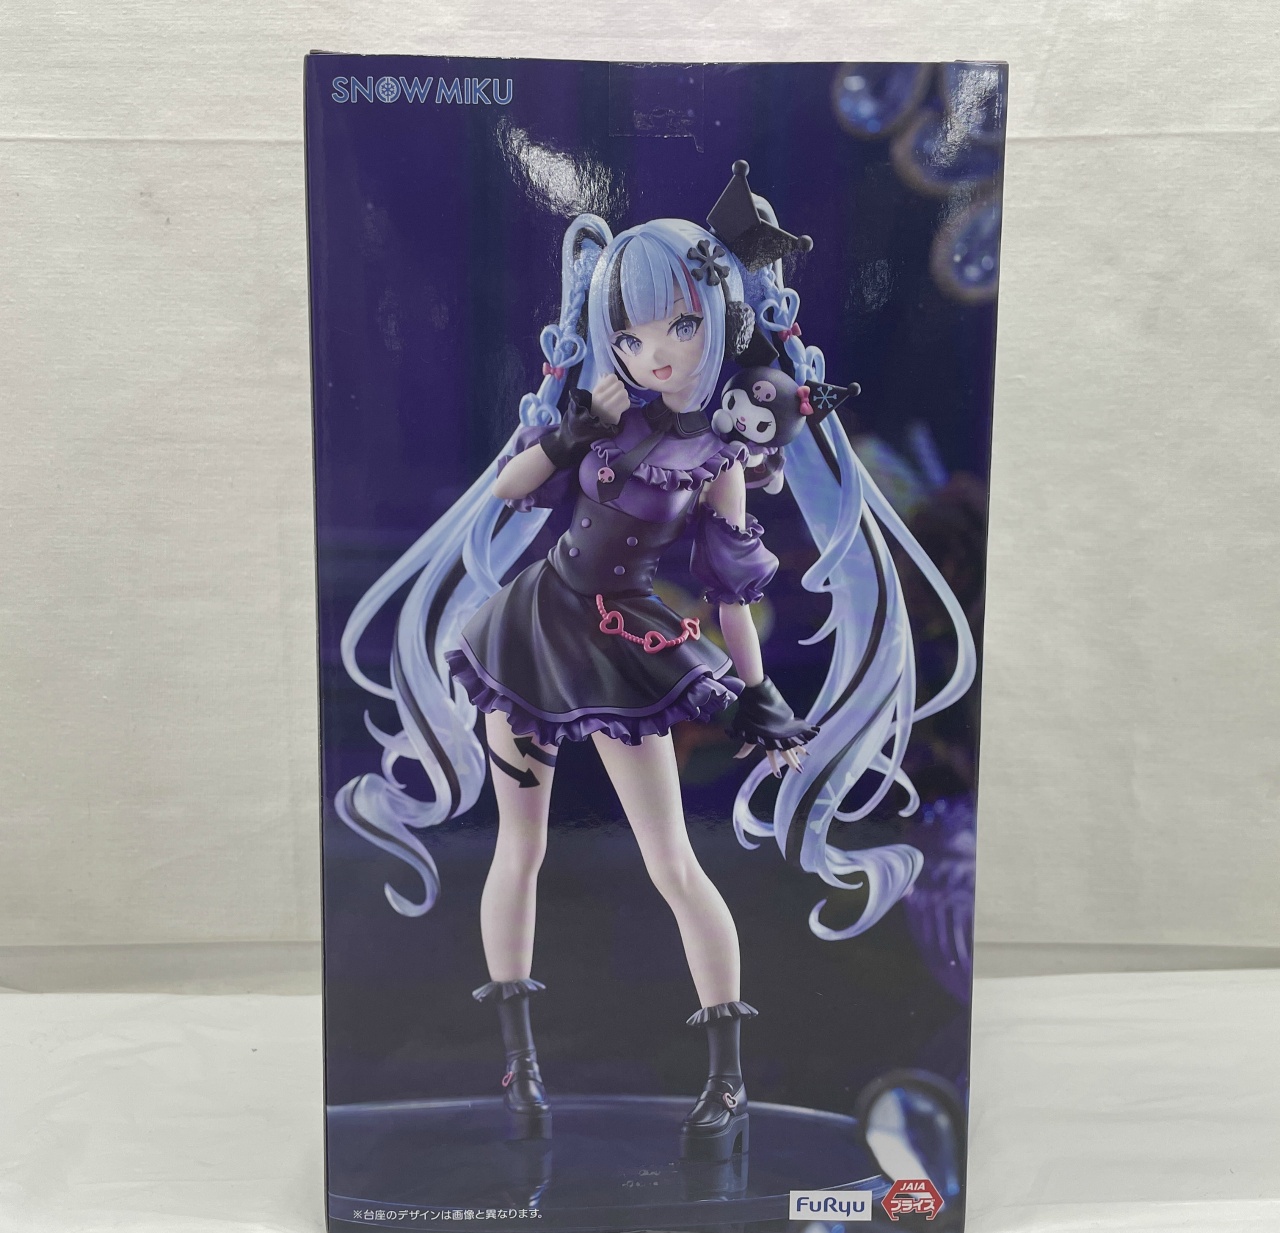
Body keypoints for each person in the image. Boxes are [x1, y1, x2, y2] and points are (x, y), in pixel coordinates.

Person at [337, 163, 976, 1161]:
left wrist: (758, 693)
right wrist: (574, 428)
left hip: (626, 648)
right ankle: (520, 1068)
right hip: (531, 628)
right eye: (631, 335)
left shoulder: (720, 452)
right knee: (519, 847)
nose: (653, 352)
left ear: (714, 322)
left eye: (676, 327)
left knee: (672, 861)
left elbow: (729, 589)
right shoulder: (606, 412)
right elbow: (508, 490)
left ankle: (725, 1076)